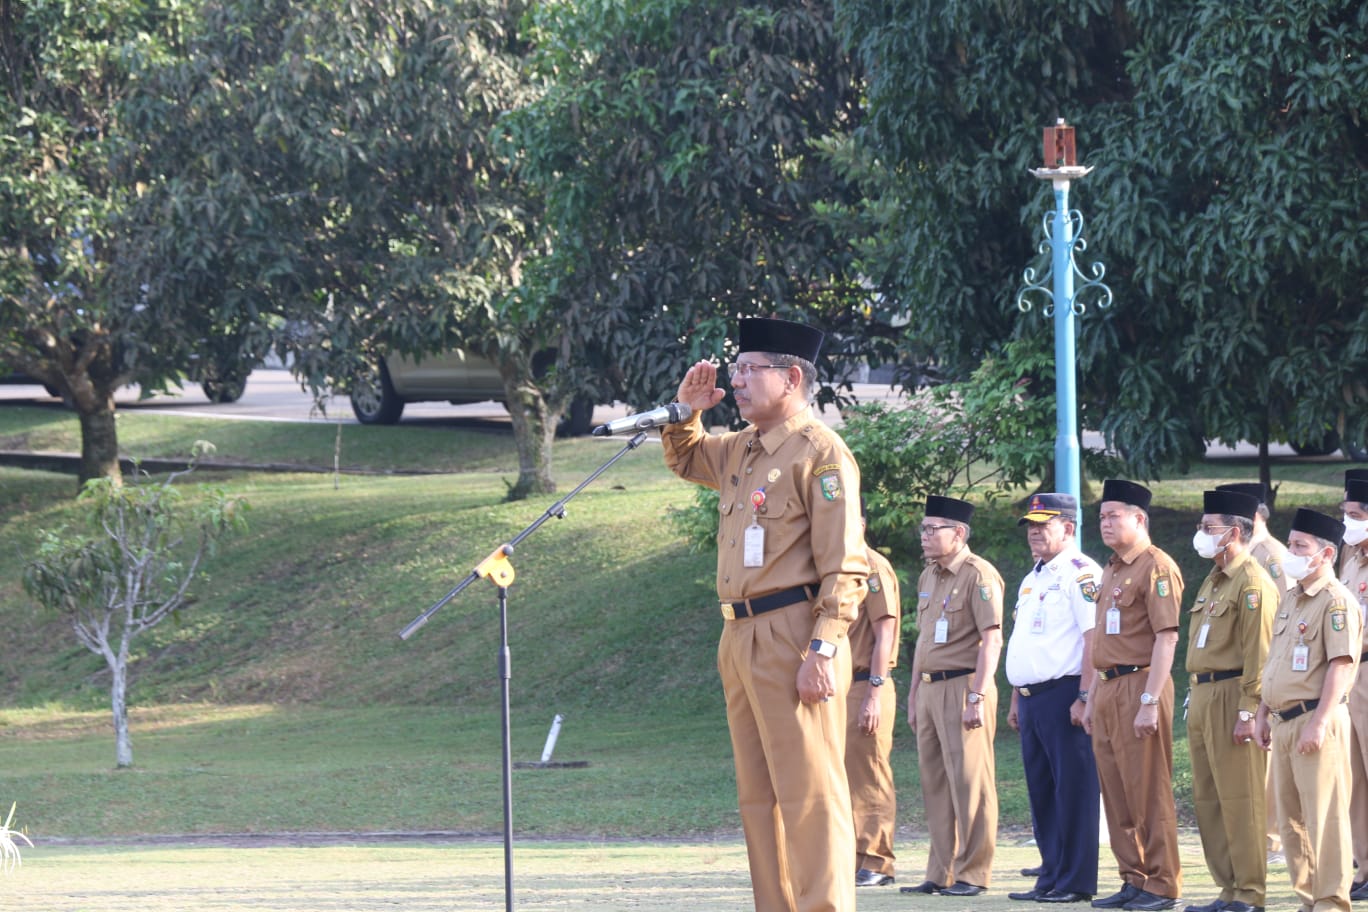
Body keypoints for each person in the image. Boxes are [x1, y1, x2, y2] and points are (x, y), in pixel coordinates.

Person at [661, 316, 870, 912]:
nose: (739, 379)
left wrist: (823, 649)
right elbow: (686, 458)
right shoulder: (741, 449)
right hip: (739, 633)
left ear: (793, 377)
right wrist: (685, 409)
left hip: (794, 633)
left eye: (753, 369)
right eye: (737, 369)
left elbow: (845, 564)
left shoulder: (821, 453)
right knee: (759, 797)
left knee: (810, 793)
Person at [1083, 479, 1184, 912]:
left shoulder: (1156, 567)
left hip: (1140, 684)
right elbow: (1100, 642)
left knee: (1148, 789)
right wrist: (1089, 696)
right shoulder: (1111, 568)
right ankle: (1134, 877)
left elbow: (1167, 638)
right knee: (1116, 790)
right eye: (1102, 517)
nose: (1105, 524)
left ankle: (1162, 883)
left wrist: (1149, 700)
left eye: (1114, 516)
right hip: (1106, 686)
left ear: (1139, 519)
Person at [1256, 507, 1362, 912]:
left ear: (1326, 555)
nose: (1292, 553)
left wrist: (1318, 724)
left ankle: (1331, 902)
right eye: (1292, 544)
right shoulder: (1293, 598)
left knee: (1325, 819)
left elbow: (1341, 665)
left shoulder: (1336, 602)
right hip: (1283, 722)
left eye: (1301, 547)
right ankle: (1308, 899)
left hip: (1316, 720)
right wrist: (1264, 712)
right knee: (1291, 822)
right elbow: (1277, 660)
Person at [900, 494, 1003, 898]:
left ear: (958, 534)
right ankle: (940, 870)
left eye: (932, 529)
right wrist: (912, 696)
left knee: (970, 783)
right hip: (928, 689)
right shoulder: (929, 576)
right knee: (935, 783)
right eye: (923, 529)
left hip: (963, 687)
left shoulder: (979, 575)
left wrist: (977, 695)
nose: (924, 536)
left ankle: (973, 873)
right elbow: (923, 640)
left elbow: (991, 640)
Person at [1182, 490, 1279, 912]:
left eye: (1209, 529)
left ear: (1234, 532)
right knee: (1209, 799)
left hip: (1232, 694)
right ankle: (1227, 888)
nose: (1201, 535)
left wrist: (1248, 710)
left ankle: (1250, 893)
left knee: (1242, 800)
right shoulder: (1214, 577)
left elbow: (1259, 653)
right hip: (1202, 694)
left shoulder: (1253, 581)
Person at [1004, 493, 1101, 905]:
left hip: (1065, 693)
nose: (1035, 532)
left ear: (1069, 528)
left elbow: (1093, 638)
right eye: (1031, 525)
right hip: (1031, 698)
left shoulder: (1080, 573)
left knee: (1074, 790)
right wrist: (1014, 698)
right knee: (1042, 790)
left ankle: (1075, 880)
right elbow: (1022, 640)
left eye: (1044, 524)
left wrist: (1085, 696)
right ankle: (1051, 873)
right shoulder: (1033, 577)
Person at [1216, 480, 1292, 865]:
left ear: (1255, 516)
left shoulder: (1271, 555)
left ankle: (1273, 838)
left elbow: (1285, 615)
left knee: (1269, 760)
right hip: (1250, 666)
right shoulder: (1242, 556)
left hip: (1271, 665)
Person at [846, 507, 902, 888]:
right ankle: (851, 856)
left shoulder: (872, 567)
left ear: (861, 524)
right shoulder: (839, 567)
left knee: (869, 774)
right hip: (839, 685)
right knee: (844, 776)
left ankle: (877, 861)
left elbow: (886, 631)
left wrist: (874, 692)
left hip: (867, 682)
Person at [1338, 471, 1368, 901]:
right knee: (1355, 779)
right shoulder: (1348, 557)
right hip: (1349, 676)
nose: (1347, 523)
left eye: (1356, 514)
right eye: (1344, 514)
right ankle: (1363, 867)